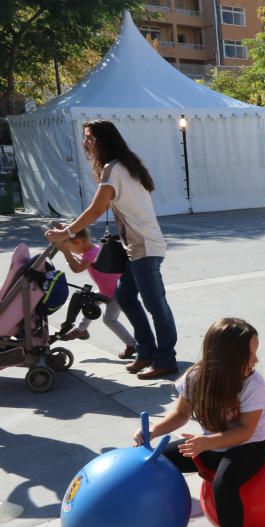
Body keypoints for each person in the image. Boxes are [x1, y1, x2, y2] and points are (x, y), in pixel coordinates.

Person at [137, 318, 265, 527]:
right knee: (153, 462)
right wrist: (153, 431)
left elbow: (246, 431)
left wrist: (207, 443)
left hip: (250, 448)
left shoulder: (253, 384)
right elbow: (181, 414)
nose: (256, 360)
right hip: (208, 446)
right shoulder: (194, 377)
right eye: (250, 353)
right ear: (227, 358)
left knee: (224, 485)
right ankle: (155, 526)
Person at [44, 119, 178, 380]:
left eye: (90, 138)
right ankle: (146, 351)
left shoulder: (113, 169)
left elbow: (96, 209)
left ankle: (166, 359)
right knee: (126, 297)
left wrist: (66, 232)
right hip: (134, 247)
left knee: (155, 304)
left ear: (103, 140)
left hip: (145, 246)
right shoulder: (126, 165)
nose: (86, 143)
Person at [55, 227, 136, 359]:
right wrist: (63, 231)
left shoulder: (93, 253)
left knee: (109, 320)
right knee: (89, 301)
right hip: (107, 289)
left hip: (117, 292)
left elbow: (77, 268)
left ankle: (132, 344)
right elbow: (80, 260)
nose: (71, 250)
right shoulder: (92, 250)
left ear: (78, 242)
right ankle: (81, 330)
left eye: (71, 247)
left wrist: (65, 252)